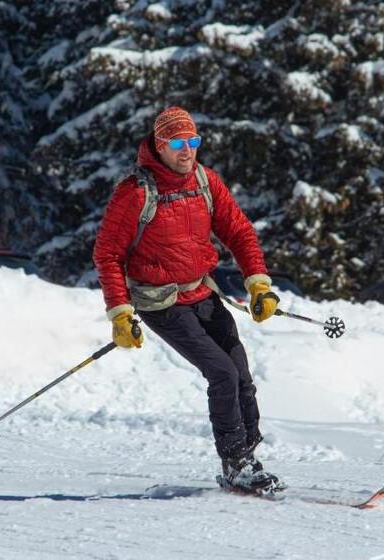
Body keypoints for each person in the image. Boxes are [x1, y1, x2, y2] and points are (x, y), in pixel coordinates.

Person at [93, 106, 281, 492]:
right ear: (160, 145)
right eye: (178, 143)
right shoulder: (135, 192)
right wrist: (120, 313)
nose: (187, 150)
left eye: (193, 141)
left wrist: (259, 284)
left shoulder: (204, 181)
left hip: (201, 291)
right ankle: (235, 462)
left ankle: (248, 455)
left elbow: (240, 232)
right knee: (222, 373)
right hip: (160, 303)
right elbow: (107, 254)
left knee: (241, 373)